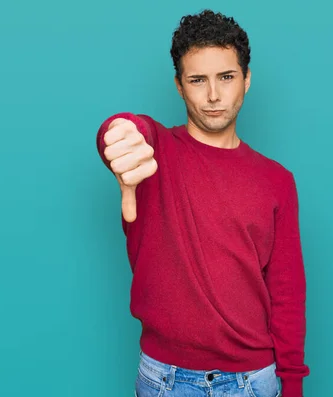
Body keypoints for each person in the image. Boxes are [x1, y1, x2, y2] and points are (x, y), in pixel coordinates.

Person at [96, 9, 310, 397]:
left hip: (253, 381)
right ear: (179, 86)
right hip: (165, 379)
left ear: (246, 80)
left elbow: (288, 294)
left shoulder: (278, 181)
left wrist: (292, 386)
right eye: (198, 80)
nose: (213, 95)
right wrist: (119, 135)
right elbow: (129, 128)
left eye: (226, 77)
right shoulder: (155, 151)